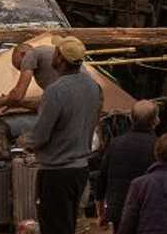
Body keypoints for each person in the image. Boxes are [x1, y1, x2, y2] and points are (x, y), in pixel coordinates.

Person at [25, 37, 103, 234]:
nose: (53, 54)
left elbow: (41, 135)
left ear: (60, 59)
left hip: (56, 172)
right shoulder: (93, 87)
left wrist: (26, 141)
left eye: (56, 51)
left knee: (53, 227)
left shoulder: (56, 91)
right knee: (67, 225)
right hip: (80, 170)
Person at [97, 102, 160, 232]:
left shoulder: (115, 144)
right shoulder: (158, 147)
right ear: (155, 120)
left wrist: (102, 212)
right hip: (148, 211)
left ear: (131, 118)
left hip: (119, 209)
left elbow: (101, 179)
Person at [0, 41, 61, 108]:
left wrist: (0, 101)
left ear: (23, 54)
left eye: (21, 66)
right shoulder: (45, 52)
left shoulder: (31, 55)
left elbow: (18, 96)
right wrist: (10, 99)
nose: (23, 70)